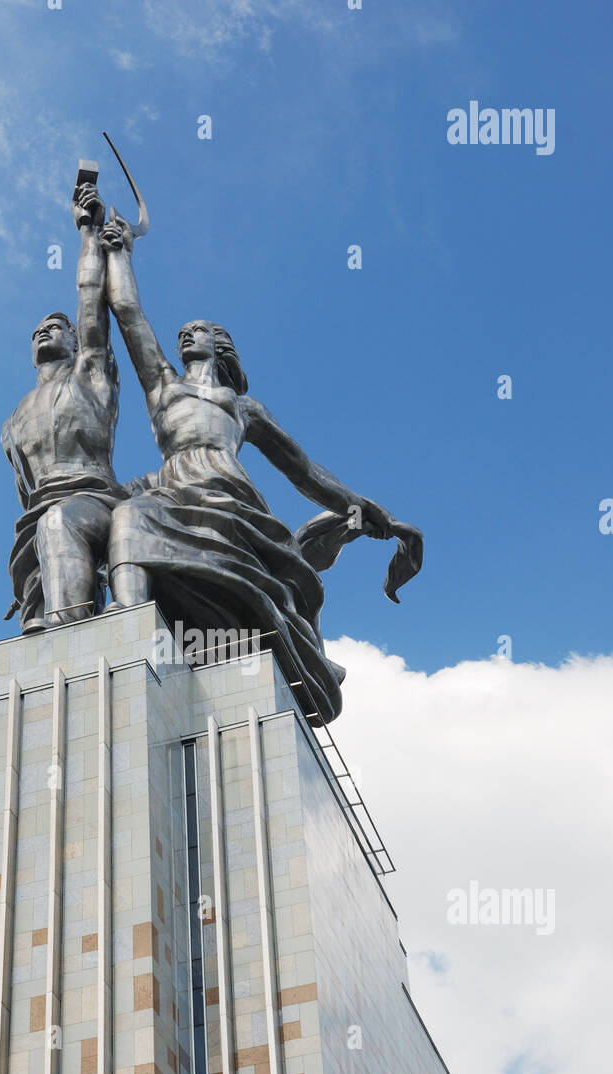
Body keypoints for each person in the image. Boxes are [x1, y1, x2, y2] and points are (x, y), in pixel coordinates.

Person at [98, 216, 421, 724]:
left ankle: (270, 640)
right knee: (130, 520)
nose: (185, 337)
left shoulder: (243, 406)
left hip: (228, 494)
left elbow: (304, 472)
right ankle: (127, 623)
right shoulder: (163, 386)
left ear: (220, 346)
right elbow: (128, 312)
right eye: (181, 333)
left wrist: (359, 506)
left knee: (266, 581)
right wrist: (118, 252)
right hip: (174, 486)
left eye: (196, 331)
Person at [1, 179, 126, 632]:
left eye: (56, 326)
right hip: (36, 521)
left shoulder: (90, 376)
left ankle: (70, 637)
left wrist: (88, 231)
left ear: (77, 341)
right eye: (37, 330)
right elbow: (23, 488)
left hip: (95, 500)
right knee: (47, 527)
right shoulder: (12, 421)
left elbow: (91, 298)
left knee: (58, 523)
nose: (44, 332)